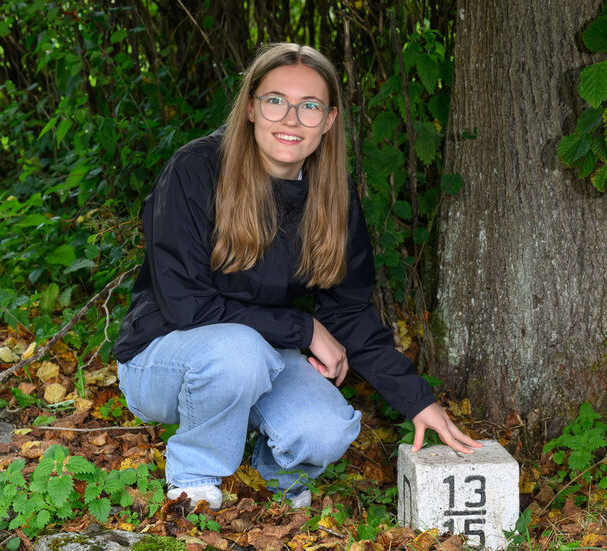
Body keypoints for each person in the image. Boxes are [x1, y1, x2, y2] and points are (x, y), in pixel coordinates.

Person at [113, 42, 480, 510]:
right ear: (250, 108)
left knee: (325, 428)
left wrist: (418, 401)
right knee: (237, 352)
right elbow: (188, 306)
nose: (290, 119)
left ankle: (277, 477)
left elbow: (349, 310)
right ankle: (195, 480)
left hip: (255, 358)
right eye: (275, 101)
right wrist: (305, 328)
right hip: (161, 359)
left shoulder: (332, 198)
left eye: (309, 106)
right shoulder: (196, 169)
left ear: (328, 120)